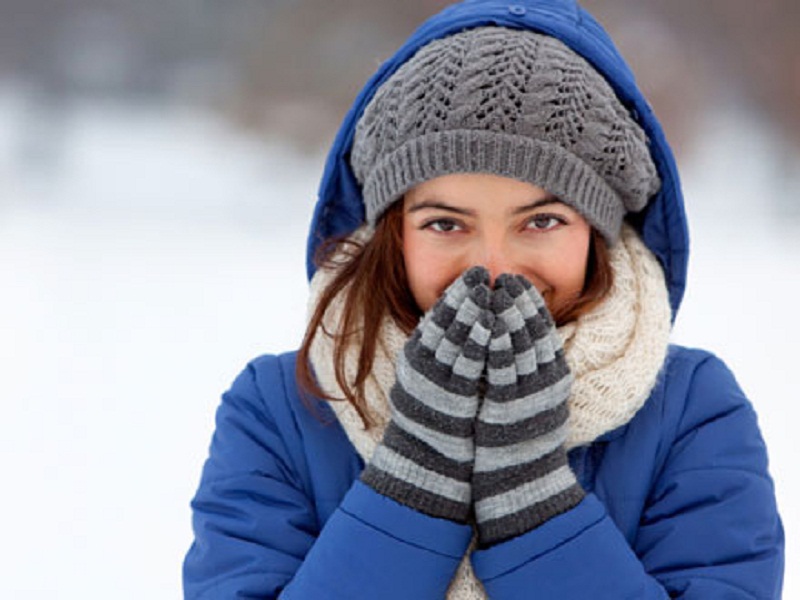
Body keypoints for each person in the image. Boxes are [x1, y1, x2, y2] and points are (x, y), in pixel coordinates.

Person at [183, 1, 784, 597]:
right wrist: (411, 487)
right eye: (446, 224)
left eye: (541, 222)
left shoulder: (689, 410)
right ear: (392, 233)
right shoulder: (282, 410)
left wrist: (536, 509)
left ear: (597, 233)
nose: (492, 268)